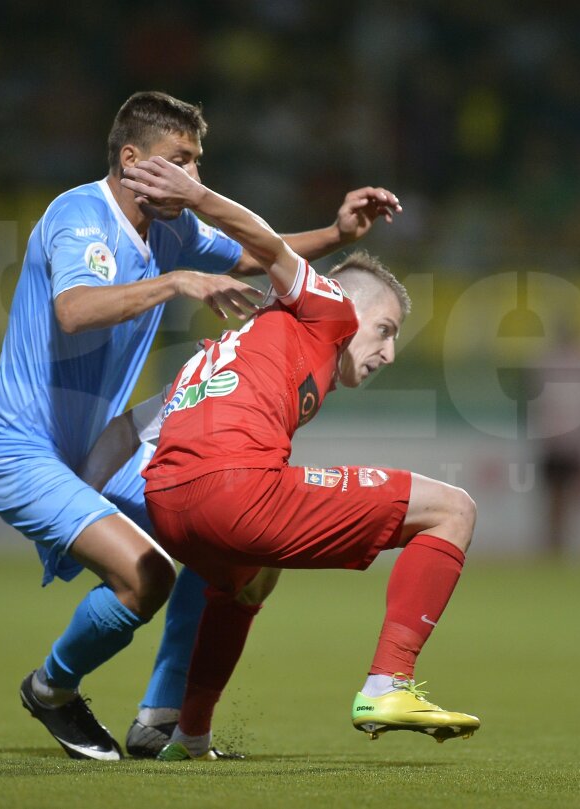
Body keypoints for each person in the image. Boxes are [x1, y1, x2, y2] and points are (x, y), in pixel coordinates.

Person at [0, 90, 402, 761]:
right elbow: (76, 310)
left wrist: (337, 235)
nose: (192, 179)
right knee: (148, 577)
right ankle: (51, 688)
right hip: (21, 450)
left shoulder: (171, 225)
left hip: (103, 448)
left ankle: (161, 717)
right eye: (181, 162)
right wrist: (178, 282)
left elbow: (255, 254)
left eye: (197, 165)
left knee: (219, 538)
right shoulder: (79, 214)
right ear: (131, 158)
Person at [119, 156, 481, 761]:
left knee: (251, 578)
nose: (388, 352)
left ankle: (191, 736)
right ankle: (388, 685)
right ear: (351, 306)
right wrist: (196, 193)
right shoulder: (327, 308)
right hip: (232, 490)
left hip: (171, 505)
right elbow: (265, 242)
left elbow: (140, 430)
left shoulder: (244, 343)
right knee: (453, 510)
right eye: (386, 330)